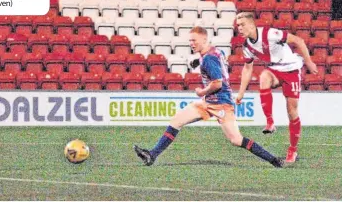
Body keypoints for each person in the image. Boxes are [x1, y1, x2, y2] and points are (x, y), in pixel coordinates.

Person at [133, 27, 284, 168]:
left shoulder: (208, 59)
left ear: (204, 40)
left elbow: (217, 84)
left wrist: (201, 92)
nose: (191, 43)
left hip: (221, 104)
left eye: (194, 40)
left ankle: (273, 159)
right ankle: (152, 155)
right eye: (190, 40)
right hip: (208, 102)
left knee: (236, 140)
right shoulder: (215, 52)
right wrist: (198, 63)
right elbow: (218, 62)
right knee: (176, 121)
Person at [234, 12, 318, 163]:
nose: (239, 28)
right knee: (264, 77)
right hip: (274, 70)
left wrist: (309, 62)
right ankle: (270, 122)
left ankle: (292, 150)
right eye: (238, 25)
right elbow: (247, 69)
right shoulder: (246, 46)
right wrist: (240, 93)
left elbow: (298, 40)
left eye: (242, 25)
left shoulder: (270, 34)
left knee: (292, 112)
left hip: (291, 70)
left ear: (252, 25)